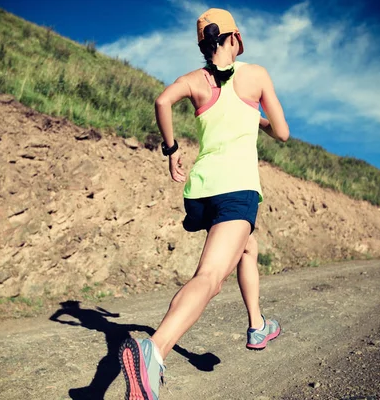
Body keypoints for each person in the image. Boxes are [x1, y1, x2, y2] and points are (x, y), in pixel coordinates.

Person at [118, 8, 290, 399]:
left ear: (202, 45)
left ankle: (257, 324)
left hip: (200, 192)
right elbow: (283, 133)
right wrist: (259, 116)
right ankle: (154, 351)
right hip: (237, 190)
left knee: (248, 245)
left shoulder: (194, 80)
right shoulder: (256, 75)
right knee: (210, 278)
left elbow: (163, 102)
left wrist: (172, 149)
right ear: (236, 38)